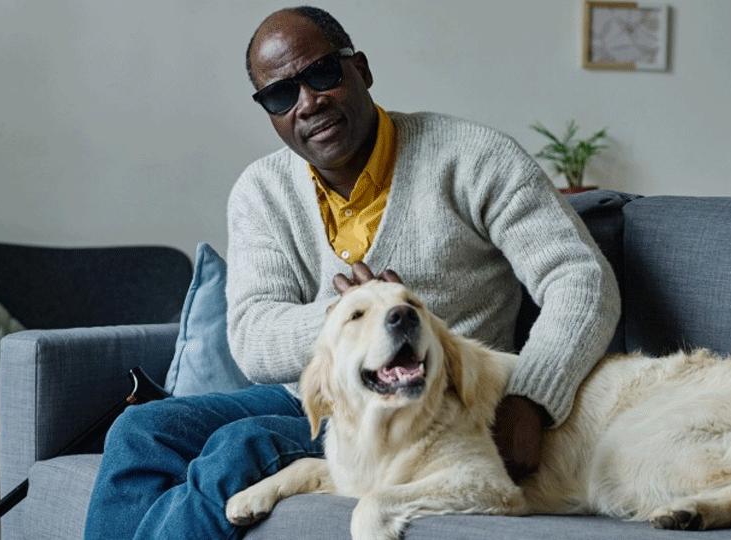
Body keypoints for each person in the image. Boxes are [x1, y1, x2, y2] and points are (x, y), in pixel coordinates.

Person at [83, 6, 619, 540]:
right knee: (140, 430)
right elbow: (249, 334)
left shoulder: (475, 158)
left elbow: (581, 279)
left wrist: (531, 399)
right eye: (280, 95)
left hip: (430, 406)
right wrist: (348, 317)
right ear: (268, 111)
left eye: (321, 74)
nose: (308, 102)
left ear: (360, 69)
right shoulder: (261, 191)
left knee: (240, 445)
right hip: (319, 399)